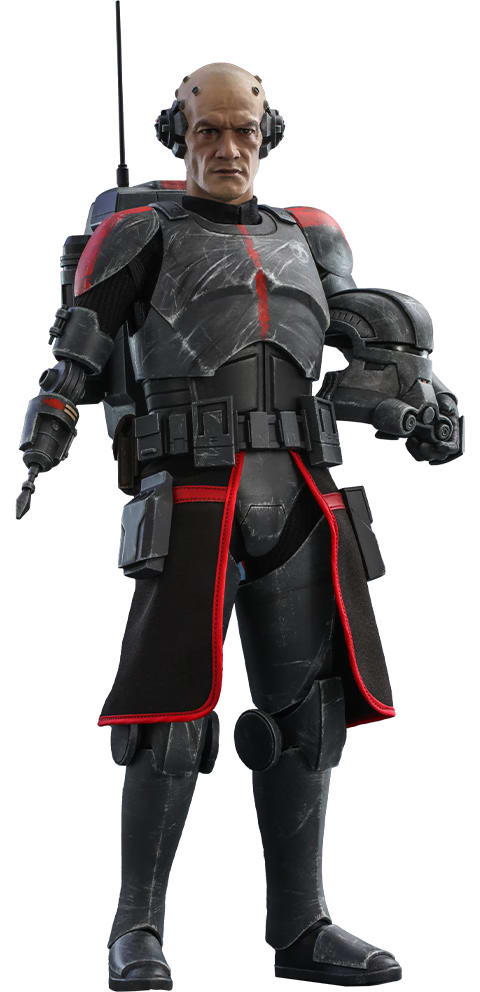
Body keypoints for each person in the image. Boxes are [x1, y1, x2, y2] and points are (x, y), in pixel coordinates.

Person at [17, 63, 463, 989]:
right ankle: (136, 928)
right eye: (208, 131)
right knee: (167, 719)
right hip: (193, 498)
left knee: (309, 720)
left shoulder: (312, 236)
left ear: (268, 135)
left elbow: (367, 337)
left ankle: (301, 927)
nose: (228, 148)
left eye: (243, 131)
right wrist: (50, 421)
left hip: (300, 495)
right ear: (179, 137)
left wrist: (427, 405)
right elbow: (79, 344)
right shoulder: (139, 233)